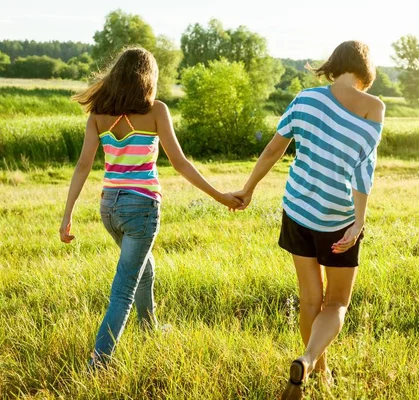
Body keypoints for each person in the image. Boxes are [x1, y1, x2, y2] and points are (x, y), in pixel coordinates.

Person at [59, 47, 242, 368]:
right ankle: (99, 363)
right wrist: (220, 195)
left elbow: (83, 166)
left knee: (144, 266)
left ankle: (149, 327)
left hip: (109, 209)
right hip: (141, 208)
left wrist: (67, 214)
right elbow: (180, 163)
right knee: (123, 289)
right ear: (148, 78)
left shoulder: (98, 115)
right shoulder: (156, 111)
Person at [233, 40, 385, 399]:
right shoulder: (374, 107)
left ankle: (319, 368)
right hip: (337, 217)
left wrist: (248, 188)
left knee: (309, 299)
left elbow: (274, 148)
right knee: (336, 304)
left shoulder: (305, 99)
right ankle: (310, 359)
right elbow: (365, 169)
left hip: (298, 211)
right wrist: (357, 222)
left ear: (335, 64)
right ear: (366, 71)